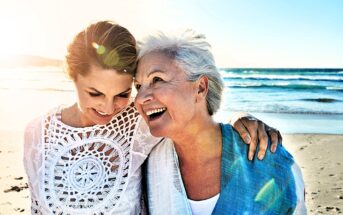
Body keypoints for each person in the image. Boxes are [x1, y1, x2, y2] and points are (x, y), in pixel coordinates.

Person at [24, 21, 282, 214]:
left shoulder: (137, 123)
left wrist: (241, 118)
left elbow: (193, 118)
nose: (108, 107)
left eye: (123, 93)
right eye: (94, 93)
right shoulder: (37, 132)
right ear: (71, 76)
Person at [134, 30, 307, 214]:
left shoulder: (269, 160)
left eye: (157, 79)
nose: (140, 98)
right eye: (138, 86)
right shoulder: (146, 162)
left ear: (200, 88)